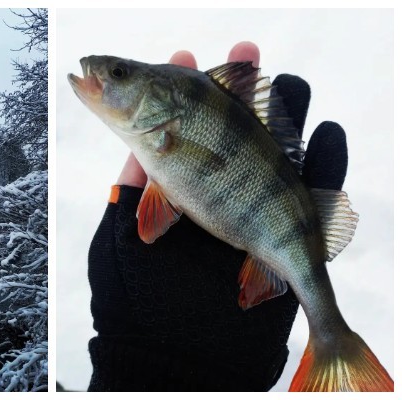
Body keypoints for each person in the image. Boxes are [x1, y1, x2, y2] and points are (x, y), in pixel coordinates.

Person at [86, 42, 350, 391]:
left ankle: (331, 336)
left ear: (161, 101)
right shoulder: (163, 129)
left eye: (119, 74)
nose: (103, 74)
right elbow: (153, 220)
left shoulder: (168, 130)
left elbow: (152, 223)